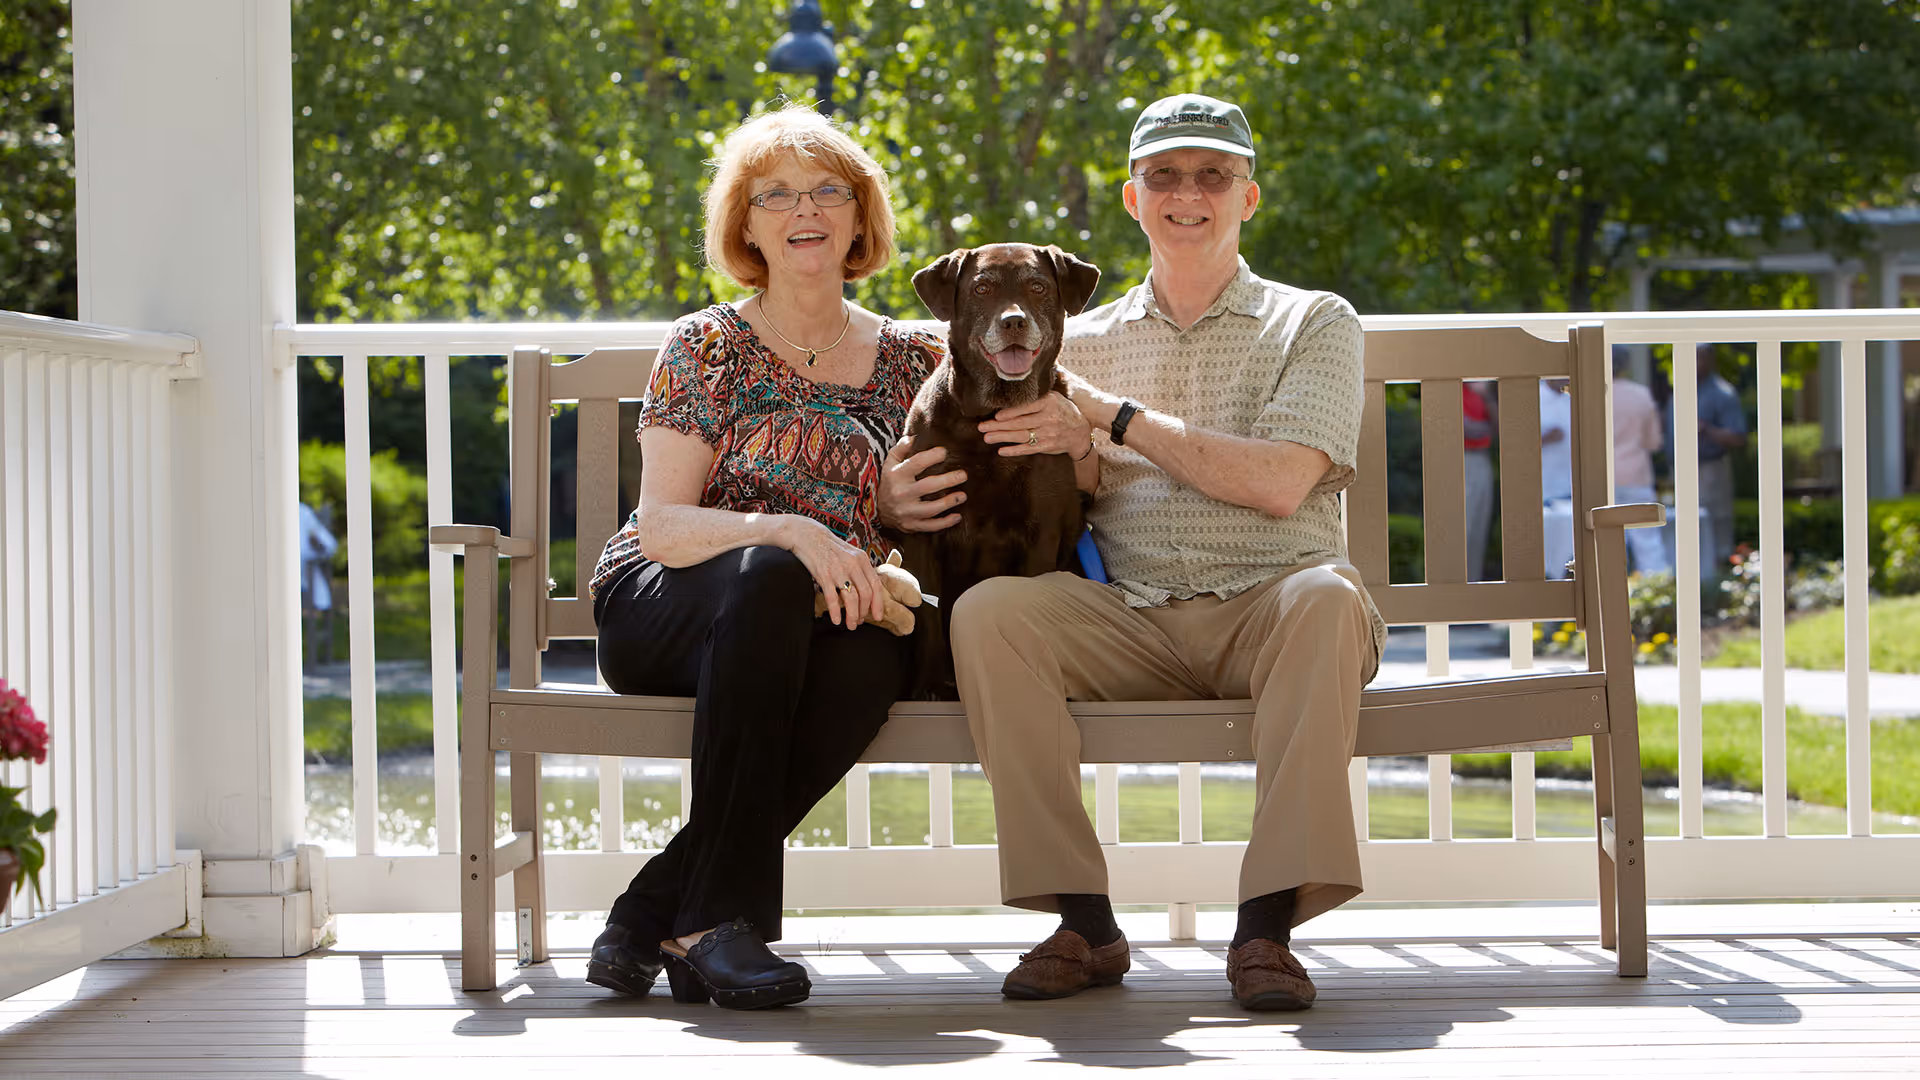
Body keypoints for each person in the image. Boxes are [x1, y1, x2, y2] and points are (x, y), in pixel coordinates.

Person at [882, 94, 1384, 1012]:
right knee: (993, 614)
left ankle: (1265, 930)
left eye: (1212, 175)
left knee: (1328, 596)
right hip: (1131, 615)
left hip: (1271, 609)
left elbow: (1280, 483)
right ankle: (1084, 921)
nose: (1186, 193)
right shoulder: (1079, 337)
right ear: (1132, 198)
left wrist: (1108, 418)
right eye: (1164, 175)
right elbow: (1044, 477)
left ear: (1249, 198)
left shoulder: (1313, 322)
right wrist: (894, 493)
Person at [585, 104, 943, 1009]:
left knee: (879, 652)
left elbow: (924, 509)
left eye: (829, 190)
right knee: (774, 572)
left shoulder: (912, 360)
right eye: (775, 195)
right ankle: (718, 923)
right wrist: (786, 528)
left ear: (862, 217)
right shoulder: (708, 344)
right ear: (745, 225)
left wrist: (887, 517)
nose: (804, 210)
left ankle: (651, 913)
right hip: (668, 605)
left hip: (820, 622)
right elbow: (661, 524)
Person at [1668, 343, 1748, 573]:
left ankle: (1720, 575)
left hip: (1711, 469)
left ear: (1710, 360)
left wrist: (1706, 429)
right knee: (1683, 525)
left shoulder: (1723, 393)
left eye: (1699, 358)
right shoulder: (1681, 391)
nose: (1693, 363)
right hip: (1680, 471)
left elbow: (1738, 437)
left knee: (1716, 523)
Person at [1611, 347, 1671, 574]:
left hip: (1601, 475)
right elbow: (1653, 442)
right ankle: (1656, 594)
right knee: (1647, 540)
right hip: (1636, 473)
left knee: (1606, 540)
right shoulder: (1641, 395)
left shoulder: (1591, 393)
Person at [1540, 377, 1575, 579]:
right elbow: (1515, 444)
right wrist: (1545, 438)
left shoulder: (1571, 400)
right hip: (1543, 487)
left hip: (1569, 486)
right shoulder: (1534, 399)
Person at [1463, 382, 1496, 580]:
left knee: (1478, 529)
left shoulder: (1481, 393)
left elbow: (1501, 427)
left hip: (1482, 459)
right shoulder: (1455, 388)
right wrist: (1487, 428)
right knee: (1463, 527)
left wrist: (1487, 397)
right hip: (1463, 459)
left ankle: (1473, 582)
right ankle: (1456, 583)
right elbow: (1466, 428)